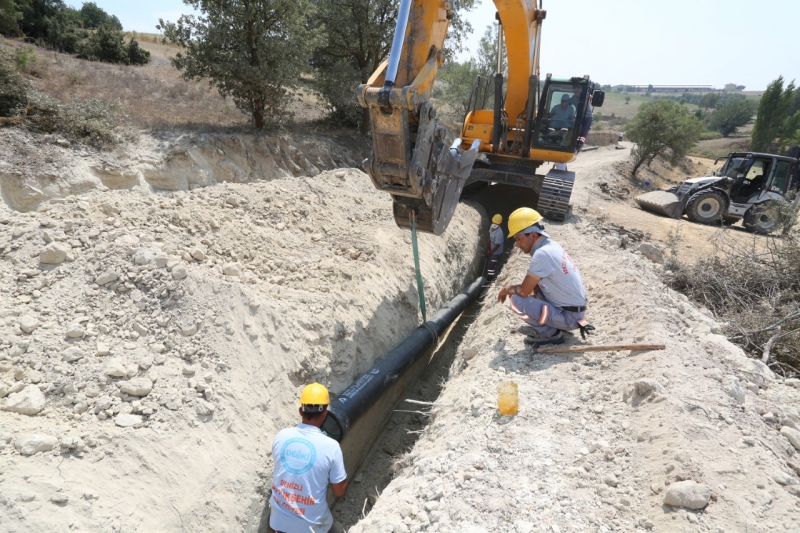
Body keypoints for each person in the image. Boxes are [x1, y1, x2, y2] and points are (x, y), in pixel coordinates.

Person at [497, 207, 595, 346]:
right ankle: (555, 323)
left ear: (533, 235)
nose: (517, 244)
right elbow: (532, 288)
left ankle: (552, 334)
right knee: (535, 290)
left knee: (516, 300)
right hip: (574, 312)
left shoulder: (542, 254)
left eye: (518, 239)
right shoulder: (551, 246)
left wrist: (506, 289)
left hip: (569, 317)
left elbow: (524, 291)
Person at [270, 383, 347, 533]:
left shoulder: (281, 436)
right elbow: (339, 491)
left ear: (301, 411)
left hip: (277, 523)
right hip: (312, 528)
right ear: (325, 414)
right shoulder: (331, 446)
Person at [568, 86, 593, 151]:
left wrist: (585, 95)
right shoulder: (573, 98)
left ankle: (579, 145)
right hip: (579, 116)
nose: (577, 91)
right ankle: (574, 144)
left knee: (584, 132)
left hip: (588, 117)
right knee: (578, 130)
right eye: (575, 90)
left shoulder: (586, 94)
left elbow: (591, 97)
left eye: (578, 90)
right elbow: (568, 103)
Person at [486, 214, 504, 280]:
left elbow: (497, 246)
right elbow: (489, 234)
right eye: (494, 222)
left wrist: (490, 252)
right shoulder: (491, 226)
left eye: (497, 223)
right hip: (492, 247)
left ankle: (490, 278)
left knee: (491, 265)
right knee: (490, 261)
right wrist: (489, 242)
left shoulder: (499, 233)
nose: (494, 224)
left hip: (497, 251)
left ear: (500, 224)